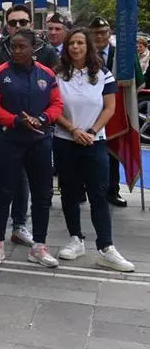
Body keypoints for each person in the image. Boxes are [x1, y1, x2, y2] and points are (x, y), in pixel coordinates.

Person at [0, 4, 57, 246]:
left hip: (38, 128)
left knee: (28, 179)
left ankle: (20, 225)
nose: (18, 26)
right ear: (6, 25)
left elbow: (54, 93)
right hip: (3, 125)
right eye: (13, 23)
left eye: (23, 22)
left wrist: (45, 120)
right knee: (2, 177)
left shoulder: (48, 53)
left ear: (30, 23)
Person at [52, 28, 134, 271]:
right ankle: (75, 239)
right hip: (65, 140)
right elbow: (54, 108)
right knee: (69, 192)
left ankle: (106, 247)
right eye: (71, 44)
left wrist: (90, 131)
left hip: (94, 141)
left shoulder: (103, 74)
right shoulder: (57, 75)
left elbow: (110, 108)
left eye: (80, 43)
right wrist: (73, 130)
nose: (75, 47)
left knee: (98, 194)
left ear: (88, 46)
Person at [0, 29, 63, 268]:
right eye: (13, 47)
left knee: (42, 194)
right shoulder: (0, 73)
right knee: (4, 191)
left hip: (39, 141)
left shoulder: (47, 74)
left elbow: (57, 103)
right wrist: (15, 120)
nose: (16, 51)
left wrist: (43, 118)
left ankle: (39, 246)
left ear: (33, 48)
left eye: (22, 47)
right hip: (10, 141)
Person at [88, 16, 144, 208]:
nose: (100, 36)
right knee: (83, 154)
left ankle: (112, 191)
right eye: (96, 33)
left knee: (111, 154)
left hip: (113, 112)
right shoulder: (82, 55)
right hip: (88, 111)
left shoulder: (121, 56)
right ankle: (81, 190)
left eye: (103, 32)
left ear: (109, 33)